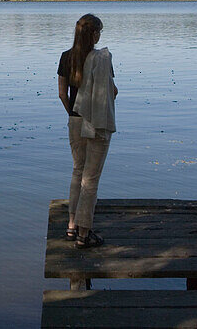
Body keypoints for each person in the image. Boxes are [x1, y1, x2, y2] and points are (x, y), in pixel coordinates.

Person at [57, 13, 117, 248]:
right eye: (99, 32)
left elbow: (62, 93)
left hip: (74, 120)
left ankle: (71, 226)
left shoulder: (66, 57)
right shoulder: (101, 59)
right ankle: (84, 234)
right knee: (90, 179)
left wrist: (72, 113)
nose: (100, 36)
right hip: (96, 123)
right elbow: (112, 92)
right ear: (93, 34)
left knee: (77, 172)